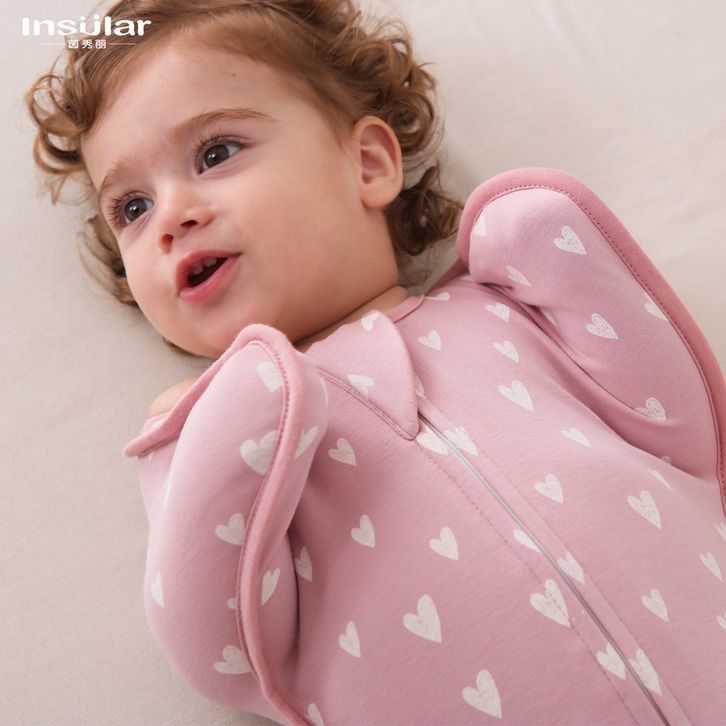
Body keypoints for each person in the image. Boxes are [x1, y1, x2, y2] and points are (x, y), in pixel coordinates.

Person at [26, 1, 726, 724]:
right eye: (132, 208)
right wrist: (234, 419)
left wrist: (549, 240)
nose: (173, 215)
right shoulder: (201, 433)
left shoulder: (506, 308)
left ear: (367, 163)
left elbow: (679, 437)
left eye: (215, 154)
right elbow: (223, 653)